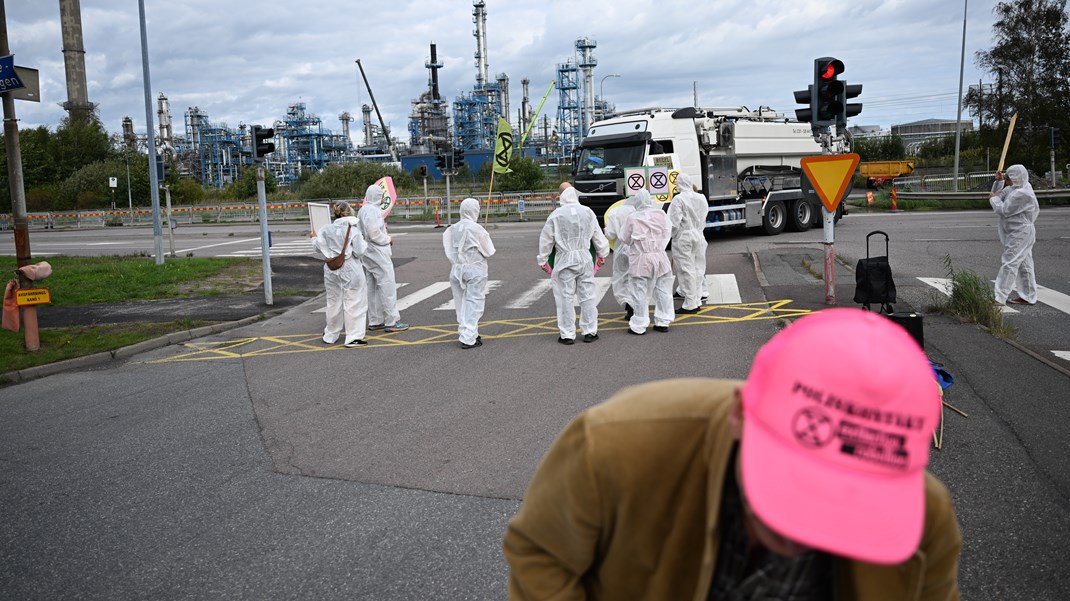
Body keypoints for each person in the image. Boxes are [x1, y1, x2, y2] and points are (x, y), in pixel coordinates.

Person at [504, 308, 961, 600]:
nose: (809, 526)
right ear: (741, 413)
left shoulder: (927, 522)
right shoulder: (611, 445)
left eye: (849, 497)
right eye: (797, 481)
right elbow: (541, 552)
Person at [536, 186, 610, 345]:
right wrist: (602, 254)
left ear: (561, 196)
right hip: (584, 258)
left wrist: (542, 260)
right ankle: (590, 331)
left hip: (565, 259)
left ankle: (567, 334)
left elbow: (546, 239)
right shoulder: (588, 212)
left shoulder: (556, 215)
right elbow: (598, 235)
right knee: (588, 296)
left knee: (565, 298)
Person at [310, 201, 369, 348]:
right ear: (349, 212)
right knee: (354, 301)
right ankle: (353, 336)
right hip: (350, 268)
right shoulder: (353, 230)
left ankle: (331, 334)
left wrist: (313, 237)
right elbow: (360, 251)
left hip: (331, 268)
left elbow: (318, 247)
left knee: (333, 301)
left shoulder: (326, 229)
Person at [443, 198, 496, 349]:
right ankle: (468, 338)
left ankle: (466, 332)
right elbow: (489, 251)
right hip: (474, 269)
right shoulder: (477, 229)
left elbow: (450, 251)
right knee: (474, 303)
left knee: (461, 303)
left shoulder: (452, 228)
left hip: (457, 269)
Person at [620, 189, 674, 334]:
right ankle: (663, 322)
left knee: (640, 292)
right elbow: (668, 232)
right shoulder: (661, 214)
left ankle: (639, 325)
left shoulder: (633, 218)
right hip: (660, 256)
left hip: (641, 258)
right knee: (663, 290)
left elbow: (625, 238)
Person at [358, 184, 408, 332]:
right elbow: (374, 234)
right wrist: (387, 238)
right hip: (378, 253)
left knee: (371, 287)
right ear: (379, 197)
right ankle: (392, 321)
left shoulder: (363, 210)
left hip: (367, 253)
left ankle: (375, 320)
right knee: (387, 285)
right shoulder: (373, 211)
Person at [989, 164, 1039, 305]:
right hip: (1017, 232)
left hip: (1020, 233)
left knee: (1009, 263)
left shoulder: (1023, 194)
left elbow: (1003, 209)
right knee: (1024, 264)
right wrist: (999, 182)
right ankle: (1028, 295)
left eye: (1008, 178)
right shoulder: (1017, 188)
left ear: (1016, 178)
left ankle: (1000, 297)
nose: (1007, 180)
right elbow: (998, 195)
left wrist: (994, 198)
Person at [668, 172, 709, 313]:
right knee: (698, 268)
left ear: (678, 184)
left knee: (686, 269)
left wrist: (672, 236)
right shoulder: (701, 198)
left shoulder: (678, 199)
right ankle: (696, 299)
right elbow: (704, 216)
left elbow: (673, 222)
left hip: (683, 237)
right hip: (699, 235)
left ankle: (690, 304)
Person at [603, 193, 638, 321]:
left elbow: (611, 235)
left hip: (621, 249)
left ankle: (629, 308)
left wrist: (606, 230)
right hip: (637, 248)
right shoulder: (639, 211)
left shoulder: (614, 212)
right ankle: (639, 307)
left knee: (622, 279)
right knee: (637, 278)